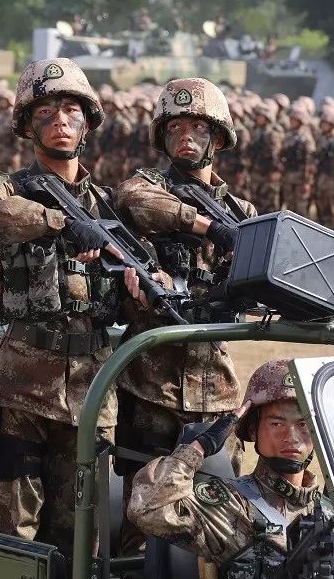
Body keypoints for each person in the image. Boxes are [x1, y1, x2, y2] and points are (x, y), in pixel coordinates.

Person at [0, 58, 152, 555]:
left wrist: (138, 285)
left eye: (70, 110)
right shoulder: (8, 187)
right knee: (8, 532)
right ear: (27, 125)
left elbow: (133, 292)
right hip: (21, 389)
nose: (60, 121)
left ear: (87, 123)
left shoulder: (107, 206)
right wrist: (62, 223)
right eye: (45, 112)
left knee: (78, 539)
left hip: (89, 395)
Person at [112, 77, 255, 559]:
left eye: (197, 127)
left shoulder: (242, 212)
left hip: (215, 384)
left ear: (218, 138)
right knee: (142, 507)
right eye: (175, 127)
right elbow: (136, 202)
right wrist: (209, 226)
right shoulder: (145, 186)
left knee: (216, 506)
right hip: (152, 379)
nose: (185, 137)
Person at [128, 359, 334, 577]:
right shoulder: (229, 506)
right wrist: (200, 447)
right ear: (253, 429)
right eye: (277, 424)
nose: (291, 437)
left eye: (303, 424)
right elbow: (147, 508)